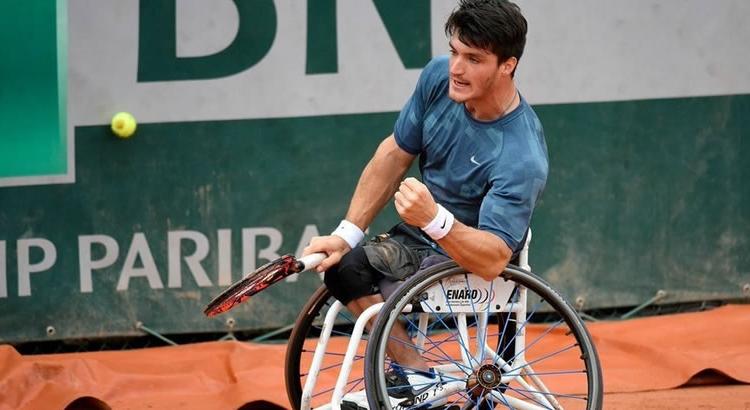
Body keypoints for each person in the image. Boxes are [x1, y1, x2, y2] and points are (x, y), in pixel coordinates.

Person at [303, 0, 548, 407]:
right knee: (343, 268)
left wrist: (435, 220)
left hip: (467, 259)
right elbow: (396, 153)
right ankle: (418, 378)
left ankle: (414, 384)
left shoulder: (519, 155)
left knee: (385, 286)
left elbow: (492, 260)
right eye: (455, 51)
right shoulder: (440, 79)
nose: (456, 68)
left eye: (474, 58)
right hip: (420, 241)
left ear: (508, 65)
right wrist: (346, 234)